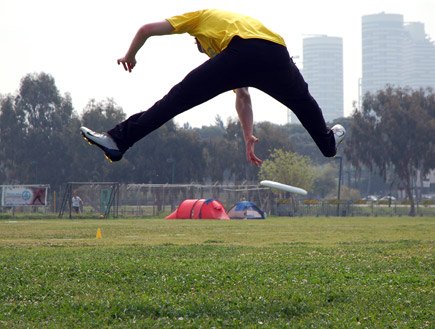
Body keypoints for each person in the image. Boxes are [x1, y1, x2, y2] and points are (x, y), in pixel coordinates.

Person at [80, 9, 345, 165]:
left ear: (196, 38)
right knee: (302, 101)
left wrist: (130, 55)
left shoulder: (199, 19)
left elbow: (147, 29)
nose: (202, 51)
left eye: (201, 48)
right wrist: (247, 137)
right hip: (276, 53)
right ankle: (329, 143)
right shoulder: (228, 36)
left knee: (177, 98)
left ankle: (117, 140)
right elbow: (243, 96)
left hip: (246, 48)